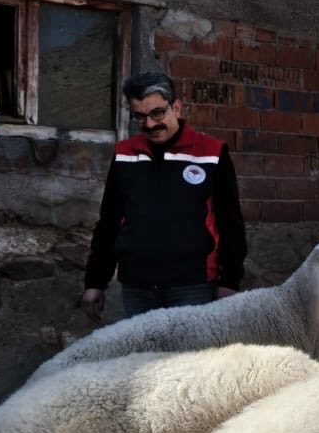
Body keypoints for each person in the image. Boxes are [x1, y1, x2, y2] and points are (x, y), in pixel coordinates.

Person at [83, 72, 246, 321]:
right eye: (140, 116)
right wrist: (95, 281)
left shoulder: (211, 154)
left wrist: (230, 281)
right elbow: (109, 222)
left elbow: (230, 222)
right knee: (142, 360)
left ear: (176, 107)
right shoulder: (125, 155)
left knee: (189, 361)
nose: (149, 124)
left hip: (194, 286)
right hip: (137, 287)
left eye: (157, 113)